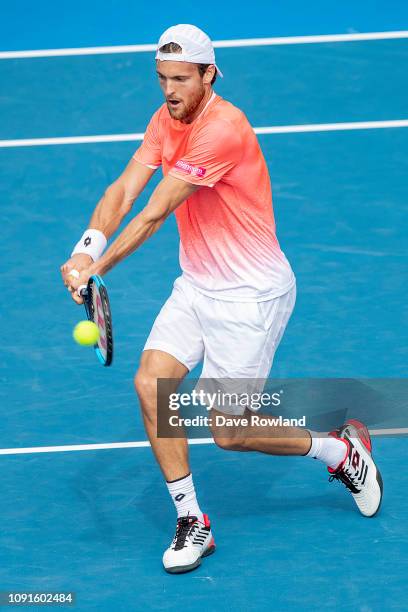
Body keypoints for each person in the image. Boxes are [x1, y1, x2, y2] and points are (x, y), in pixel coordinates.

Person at [61, 24, 383, 574]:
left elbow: (156, 210)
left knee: (229, 433)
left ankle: (339, 451)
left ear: (209, 74)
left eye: (181, 79)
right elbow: (123, 190)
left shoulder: (223, 130)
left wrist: (98, 270)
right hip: (197, 284)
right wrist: (84, 248)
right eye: (162, 78)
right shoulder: (167, 120)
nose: (169, 90)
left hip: (250, 297)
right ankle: (193, 520)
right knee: (150, 385)